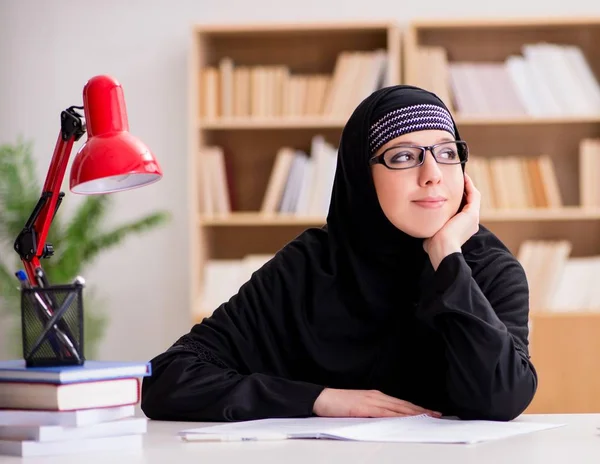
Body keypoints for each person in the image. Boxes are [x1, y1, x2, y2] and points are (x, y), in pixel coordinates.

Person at [141, 85, 537, 423]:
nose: (432, 173)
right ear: (361, 177)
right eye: (403, 156)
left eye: (447, 153)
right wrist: (320, 399)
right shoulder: (308, 267)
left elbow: (501, 398)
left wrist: (448, 258)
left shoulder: (491, 270)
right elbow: (169, 377)